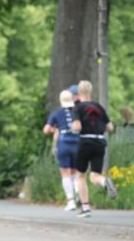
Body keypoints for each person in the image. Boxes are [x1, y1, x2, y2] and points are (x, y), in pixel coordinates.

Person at [71, 80, 117, 218]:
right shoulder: (99, 107)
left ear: (79, 93)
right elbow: (110, 128)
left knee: (80, 175)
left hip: (85, 141)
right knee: (95, 176)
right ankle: (104, 182)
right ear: (90, 91)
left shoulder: (77, 108)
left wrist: (72, 128)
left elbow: (77, 127)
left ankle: (86, 209)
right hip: (100, 142)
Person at [43, 89, 82, 211]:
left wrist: (54, 130)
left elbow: (46, 130)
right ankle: (78, 195)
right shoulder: (78, 112)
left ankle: (70, 201)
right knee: (75, 173)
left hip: (63, 143)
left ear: (61, 101)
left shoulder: (56, 113)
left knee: (65, 173)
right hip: (77, 143)